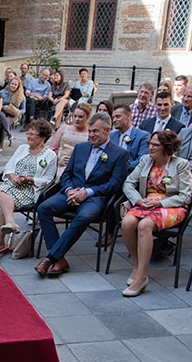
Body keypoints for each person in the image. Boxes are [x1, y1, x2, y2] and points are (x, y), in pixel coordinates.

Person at [35, 112, 130, 277]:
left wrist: (87, 192)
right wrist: (69, 190)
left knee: (84, 216)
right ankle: (60, 259)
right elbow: (67, 174)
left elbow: (114, 184)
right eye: (90, 131)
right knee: (44, 208)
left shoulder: (119, 154)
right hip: (71, 192)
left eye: (96, 131)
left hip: (95, 197)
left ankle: (50, 258)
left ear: (108, 130)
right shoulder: (81, 148)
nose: (91, 135)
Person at [120, 130, 192, 296]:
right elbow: (128, 183)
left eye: (155, 145)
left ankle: (140, 277)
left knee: (145, 225)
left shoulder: (180, 164)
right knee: (127, 222)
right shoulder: (146, 161)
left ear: (166, 147)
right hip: (146, 203)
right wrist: (138, 200)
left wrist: (160, 203)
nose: (150, 148)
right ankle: (138, 267)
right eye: (150, 144)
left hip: (171, 205)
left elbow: (185, 196)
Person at [0, 119, 57, 260]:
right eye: (28, 134)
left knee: (3, 195)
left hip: (30, 190)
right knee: (5, 188)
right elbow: (9, 167)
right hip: (12, 184)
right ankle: (10, 223)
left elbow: (48, 181)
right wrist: (12, 177)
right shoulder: (22, 148)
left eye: (33, 134)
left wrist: (30, 180)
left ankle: (0, 240)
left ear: (43, 138)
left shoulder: (50, 155)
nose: (29, 137)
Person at [48, 102, 92, 172]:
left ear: (87, 117)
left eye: (80, 117)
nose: (77, 119)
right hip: (60, 163)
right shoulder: (64, 128)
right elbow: (52, 148)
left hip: (80, 166)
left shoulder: (91, 132)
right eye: (75, 116)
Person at [110, 104, 149, 169]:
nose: (114, 120)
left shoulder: (143, 136)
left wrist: (121, 167)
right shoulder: (111, 136)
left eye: (118, 116)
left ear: (128, 116)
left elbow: (142, 160)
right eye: (113, 118)